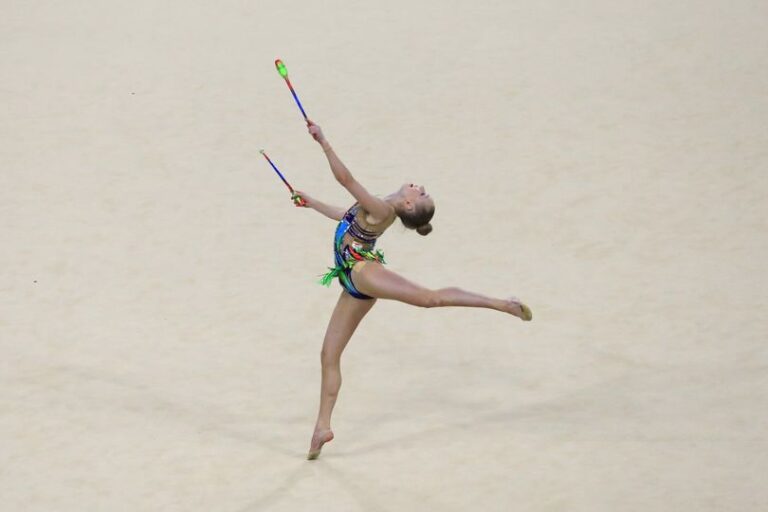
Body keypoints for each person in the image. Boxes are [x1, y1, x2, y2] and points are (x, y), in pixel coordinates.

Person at [294, 120, 532, 460]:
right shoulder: (375, 207)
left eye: (420, 194)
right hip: (351, 283)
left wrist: (324, 142)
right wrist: (311, 203)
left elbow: (345, 180)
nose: (419, 187)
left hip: (363, 272)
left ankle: (502, 304)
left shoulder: (382, 209)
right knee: (328, 355)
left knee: (429, 298)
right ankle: (322, 427)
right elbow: (345, 215)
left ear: (408, 206)